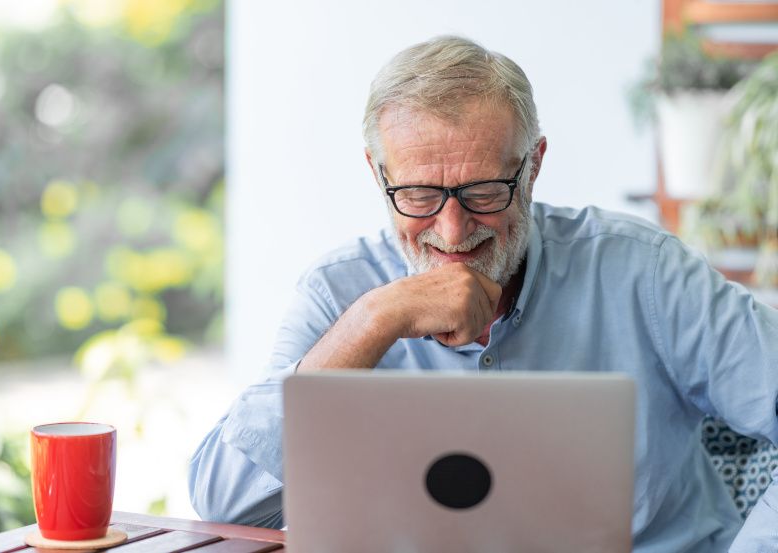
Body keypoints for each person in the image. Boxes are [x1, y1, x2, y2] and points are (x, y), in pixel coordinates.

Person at [189, 35, 778, 551]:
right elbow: (224, 505)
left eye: (485, 191)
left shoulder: (645, 273)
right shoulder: (339, 293)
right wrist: (375, 320)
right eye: (418, 194)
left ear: (534, 166)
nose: (452, 230)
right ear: (378, 173)